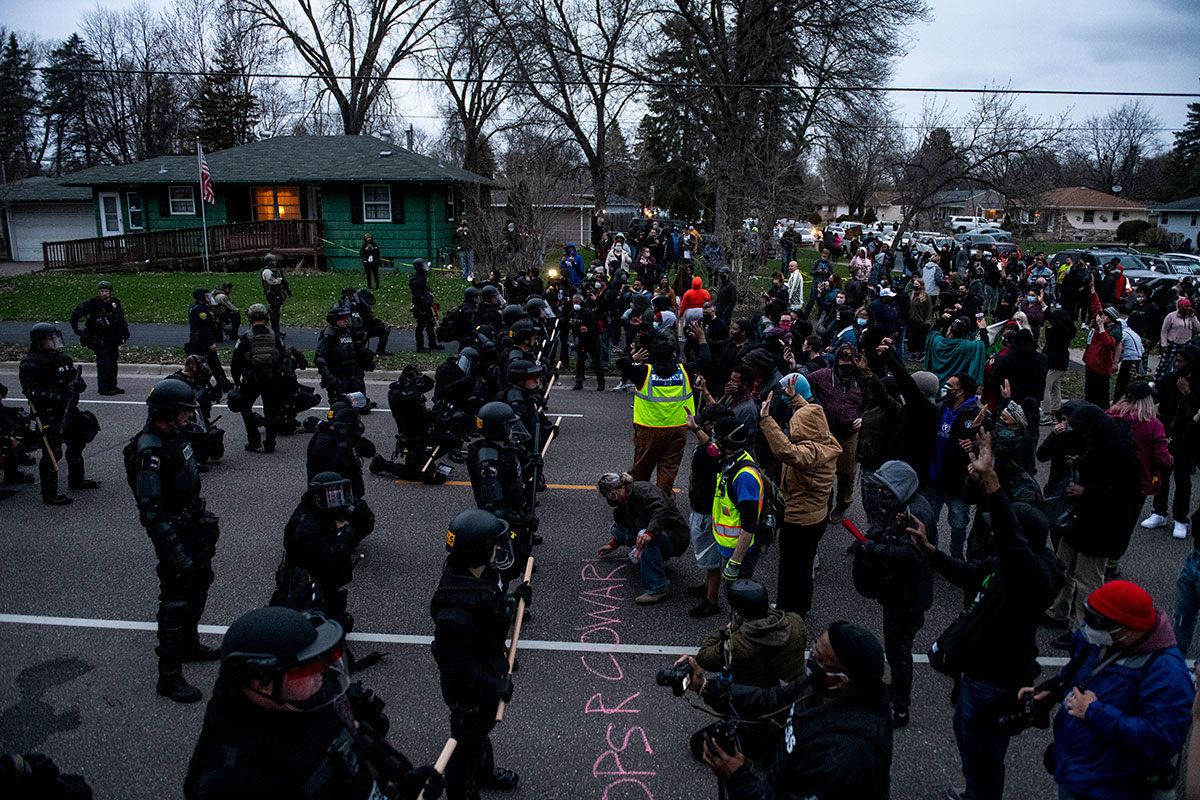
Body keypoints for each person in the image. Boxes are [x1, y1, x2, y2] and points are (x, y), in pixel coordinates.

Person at [907, 431, 1064, 800]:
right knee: (969, 743)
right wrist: (932, 553)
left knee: (984, 756)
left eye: (999, 532)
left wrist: (992, 481)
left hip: (996, 683)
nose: (992, 536)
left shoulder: (1033, 577)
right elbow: (969, 573)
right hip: (974, 676)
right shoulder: (1003, 567)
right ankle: (976, 791)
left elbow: (1012, 540)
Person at [184, 605, 443, 800]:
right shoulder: (233, 783)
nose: (320, 676)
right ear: (262, 682)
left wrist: (399, 781)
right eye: (302, 671)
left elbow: (350, 740)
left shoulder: (304, 700)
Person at [681, 621, 892, 799]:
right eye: (814, 648)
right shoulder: (820, 688)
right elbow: (772, 701)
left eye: (819, 660)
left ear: (842, 680)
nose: (811, 661)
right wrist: (705, 687)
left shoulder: (844, 756)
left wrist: (738, 778)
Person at [1031, 581, 1194, 800]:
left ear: (1130, 628)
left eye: (1099, 622)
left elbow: (1161, 739)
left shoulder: (1166, 672)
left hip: (1114, 789)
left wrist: (1095, 712)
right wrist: (1055, 690)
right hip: (1077, 775)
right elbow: (1081, 678)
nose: (1090, 628)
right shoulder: (1100, 641)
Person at [124, 379, 221, 702]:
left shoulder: (175, 439)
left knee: (201, 581)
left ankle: (189, 644)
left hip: (192, 524)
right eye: (183, 411)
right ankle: (168, 675)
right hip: (173, 532)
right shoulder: (150, 451)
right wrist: (176, 553)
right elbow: (151, 511)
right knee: (175, 599)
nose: (187, 416)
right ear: (167, 412)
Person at [430, 509, 529, 800]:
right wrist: (492, 685)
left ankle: (485, 774)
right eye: (494, 545)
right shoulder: (454, 612)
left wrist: (514, 601)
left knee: (480, 734)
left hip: (486, 669)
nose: (499, 548)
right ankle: (463, 792)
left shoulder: (481, 574)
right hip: (468, 690)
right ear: (480, 552)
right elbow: (454, 665)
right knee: (464, 747)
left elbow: (491, 612)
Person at [1044, 402, 1141, 648]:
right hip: (1080, 520)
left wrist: (1086, 492)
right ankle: (1058, 612)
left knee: (1088, 581)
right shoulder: (1103, 438)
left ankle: (1084, 631)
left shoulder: (1122, 449)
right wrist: (1080, 461)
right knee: (1062, 568)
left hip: (1101, 527)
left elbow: (1127, 491)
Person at [852, 460, 934, 729]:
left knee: (899, 654)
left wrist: (872, 550)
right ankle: (897, 692)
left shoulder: (915, 513)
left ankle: (900, 709)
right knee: (896, 650)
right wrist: (871, 539)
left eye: (886, 488)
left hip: (907, 599)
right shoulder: (903, 505)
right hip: (899, 593)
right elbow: (888, 533)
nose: (881, 494)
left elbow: (909, 555)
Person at [758, 376, 840, 616]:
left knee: (792, 567)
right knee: (801, 567)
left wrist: (766, 421)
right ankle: (799, 606)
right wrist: (794, 397)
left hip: (800, 520)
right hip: (815, 517)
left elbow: (787, 451)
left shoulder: (809, 453)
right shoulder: (826, 440)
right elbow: (811, 413)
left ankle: (789, 608)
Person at [269, 471, 374, 633]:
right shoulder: (307, 528)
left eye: (341, 493)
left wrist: (359, 511)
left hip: (323, 582)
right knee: (327, 631)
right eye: (331, 495)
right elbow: (330, 560)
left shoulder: (326, 511)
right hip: (307, 589)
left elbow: (366, 524)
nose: (337, 500)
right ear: (318, 497)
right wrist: (345, 533)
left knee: (340, 624)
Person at [19, 323, 100, 505]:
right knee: (52, 452)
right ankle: (49, 493)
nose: (54, 342)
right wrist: (58, 397)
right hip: (49, 414)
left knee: (78, 441)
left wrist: (77, 386)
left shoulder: (63, 359)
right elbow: (32, 392)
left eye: (55, 338)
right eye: (50, 339)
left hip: (69, 409)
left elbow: (78, 380)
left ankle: (77, 479)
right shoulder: (30, 365)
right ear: (40, 342)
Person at [619, 329, 705, 491]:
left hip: (648, 429)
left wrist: (633, 358)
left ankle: (638, 500)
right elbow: (705, 360)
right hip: (677, 429)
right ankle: (663, 502)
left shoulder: (644, 372)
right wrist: (702, 339)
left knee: (641, 469)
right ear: (673, 354)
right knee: (668, 470)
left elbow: (622, 364)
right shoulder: (685, 370)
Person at [466, 402, 540, 579]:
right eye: (509, 426)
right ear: (500, 430)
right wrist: (524, 520)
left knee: (523, 539)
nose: (512, 430)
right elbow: (494, 510)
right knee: (514, 551)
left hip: (515, 506)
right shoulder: (489, 466)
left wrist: (532, 466)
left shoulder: (504, 449)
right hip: (506, 522)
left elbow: (515, 475)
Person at [596, 472, 691, 605]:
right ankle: (653, 558)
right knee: (616, 528)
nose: (608, 500)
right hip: (656, 532)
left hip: (676, 537)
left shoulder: (643, 489)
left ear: (612, 493)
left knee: (644, 535)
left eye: (607, 496)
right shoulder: (623, 504)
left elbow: (660, 510)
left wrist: (649, 533)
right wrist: (613, 545)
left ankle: (657, 588)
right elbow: (627, 525)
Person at [1144, 342, 1200, 539]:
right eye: (1176, 360)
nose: (1177, 364)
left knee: (1182, 479)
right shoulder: (1171, 379)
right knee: (1161, 475)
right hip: (1165, 435)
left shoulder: (1196, 384)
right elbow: (1156, 394)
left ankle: (1180, 518)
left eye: (1181, 362)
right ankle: (1159, 512)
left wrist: (1187, 393)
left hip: (1187, 438)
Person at [684, 404, 734, 618]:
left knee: (711, 558)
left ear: (713, 426)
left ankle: (711, 600)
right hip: (700, 506)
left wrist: (695, 429)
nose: (700, 422)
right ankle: (707, 587)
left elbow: (711, 452)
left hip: (708, 510)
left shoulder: (720, 448)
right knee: (705, 553)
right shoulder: (714, 441)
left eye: (704, 421)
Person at [924, 372, 981, 560]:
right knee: (930, 522)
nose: (945, 388)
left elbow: (989, 442)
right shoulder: (940, 408)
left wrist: (975, 444)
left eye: (950, 386)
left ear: (960, 391)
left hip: (957, 485)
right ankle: (933, 555)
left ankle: (956, 556)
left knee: (958, 524)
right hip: (933, 480)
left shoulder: (976, 416)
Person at [807, 343, 866, 523]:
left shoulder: (863, 380)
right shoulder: (823, 376)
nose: (847, 364)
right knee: (824, 472)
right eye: (843, 360)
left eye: (851, 360)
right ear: (836, 361)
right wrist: (812, 403)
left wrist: (864, 416)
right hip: (827, 434)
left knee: (846, 473)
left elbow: (874, 400)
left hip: (850, 434)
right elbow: (802, 381)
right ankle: (826, 504)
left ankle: (843, 504)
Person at [710, 416, 765, 584]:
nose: (712, 442)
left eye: (715, 438)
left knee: (738, 599)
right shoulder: (731, 462)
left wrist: (735, 562)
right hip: (727, 547)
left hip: (739, 553)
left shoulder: (744, 477)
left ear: (726, 442)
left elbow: (749, 524)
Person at [230, 304, 285, 454]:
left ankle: (254, 440)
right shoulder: (275, 337)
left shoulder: (245, 338)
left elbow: (235, 361)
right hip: (271, 378)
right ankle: (270, 443)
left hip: (251, 379)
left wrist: (237, 381)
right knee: (272, 411)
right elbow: (282, 357)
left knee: (245, 407)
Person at [307, 399, 376, 501]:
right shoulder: (323, 441)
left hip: (347, 491)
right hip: (329, 495)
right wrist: (342, 440)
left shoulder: (346, 435)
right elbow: (341, 463)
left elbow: (370, 451)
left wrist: (356, 439)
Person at [70, 279, 129, 395]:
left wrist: (125, 332)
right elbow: (75, 315)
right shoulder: (93, 304)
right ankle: (103, 387)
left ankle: (112, 385)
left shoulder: (115, 303)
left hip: (112, 338)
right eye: (101, 291)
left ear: (110, 292)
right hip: (99, 338)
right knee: (104, 363)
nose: (104, 294)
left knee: (113, 362)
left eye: (106, 291)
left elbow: (121, 318)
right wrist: (77, 330)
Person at [315, 302, 367, 405]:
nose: (345, 320)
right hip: (337, 376)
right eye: (342, 318)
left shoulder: (347, 332)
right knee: (339, 406)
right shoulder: (329, 335)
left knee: (360, 405)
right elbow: (320, 358)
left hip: (351, 375)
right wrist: (330, 379)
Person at [187, 288, 231, 390]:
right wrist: (210, 342)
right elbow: (204, 328)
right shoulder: (201, 311)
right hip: (203, 342)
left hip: (196, 341)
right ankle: (223, 383)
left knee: (198, 363)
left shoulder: (193, 308)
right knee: (214, 363)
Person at [1083, 307, 1121, 409]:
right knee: (1089, 393)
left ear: (1110, 318)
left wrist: (1101, 327)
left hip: (1102, 368)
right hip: (1093, 364)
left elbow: (1109, 344)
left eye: (1104, 315)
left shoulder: (1115, 331)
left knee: (1101, 395)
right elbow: (1096, 306)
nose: (1102, 317)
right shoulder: (1102, 327)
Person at [409, 259, 443, 352]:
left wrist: (432, 303)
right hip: (420, 306)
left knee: (430, 325)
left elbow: (426, 292)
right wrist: (427, 302)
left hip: (426, 305)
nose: (425, 267)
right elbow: (418, 296)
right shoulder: (416, 280)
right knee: (421, 326)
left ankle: (433, 344)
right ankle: (420, 347)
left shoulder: (422, 277)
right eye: (423, 265)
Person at [261, 254, 291, 334]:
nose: (275, 262)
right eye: (273, 261)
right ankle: (275, 331)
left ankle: (277, 330)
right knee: (274, 314)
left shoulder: (273, 271)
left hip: (276, 294)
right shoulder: (267, 271)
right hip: (272, 295)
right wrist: (280, 280)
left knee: (276, 314)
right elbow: (272, 282)